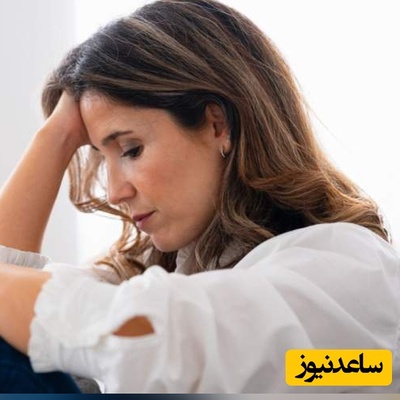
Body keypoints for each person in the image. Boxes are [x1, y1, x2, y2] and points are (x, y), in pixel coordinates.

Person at [0, 0, 399, 393]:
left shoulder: (351, 270)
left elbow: (174, 343)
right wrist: (55, 137)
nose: (115, 192)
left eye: (131, 149)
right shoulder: (159, 273)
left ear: (216, 124)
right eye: (101, 158)